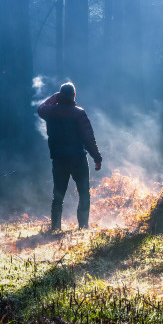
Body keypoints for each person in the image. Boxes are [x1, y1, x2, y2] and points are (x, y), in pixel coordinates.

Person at [36, 82, 103, 231]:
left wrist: (53, 97)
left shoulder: (50, 111)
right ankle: (83, 227)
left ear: (59, 95)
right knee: (84, 193)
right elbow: (89, 138)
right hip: (78, 158)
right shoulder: (79, 113)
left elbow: (40, 108)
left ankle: (55, 228)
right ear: (74, 95)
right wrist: (97, 158)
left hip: (59, 160)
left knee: (58, 196)